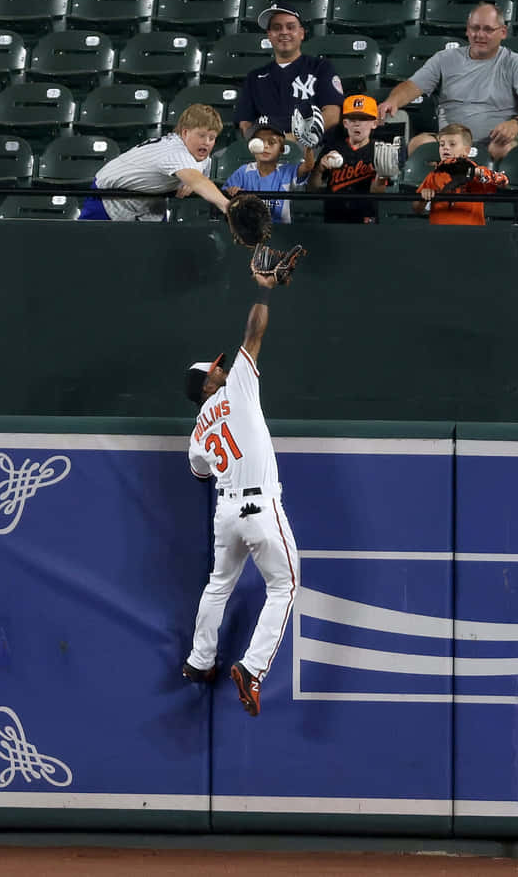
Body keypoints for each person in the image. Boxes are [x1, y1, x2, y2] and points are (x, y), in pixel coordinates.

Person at [182, 260, 298, 718]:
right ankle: (252, 669)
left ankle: (199, 660)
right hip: (259, 505)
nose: (222, 369)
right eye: (215, 370)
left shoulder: (195, 431)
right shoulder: (238, 390)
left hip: (226, 512)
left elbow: (200, 474)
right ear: (208, 383)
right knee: (285, 585)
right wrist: (265, 291)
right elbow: (254, 334)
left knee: (218, 586)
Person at [377, 2, 518, 161]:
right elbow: (411, 86)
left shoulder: (515, 63)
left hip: (494, 141)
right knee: (418, 144)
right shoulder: (445, 59)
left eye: (488, 29)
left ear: (503, 32)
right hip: (448, 142)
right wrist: (393, 101)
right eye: (475, 28)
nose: (480, 35)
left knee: (504, 148)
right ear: (467, 30)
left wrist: (517, 124)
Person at [78, 104, 229, 221]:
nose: (207, 142)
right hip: (108, 199)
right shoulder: (174, 152)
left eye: (212, 137)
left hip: (149, 205)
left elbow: (197, 179)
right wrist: (228, 207)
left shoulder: (201, 157)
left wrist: (190, 181)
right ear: (185, 132)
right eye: (201, 135)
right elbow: (198, 181)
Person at [234, 4, 344, 142]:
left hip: (312, 149)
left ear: (302, 33)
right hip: (267, 150)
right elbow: (245, 122)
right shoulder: (255, 77)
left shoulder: (321, 68)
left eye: (290, 27)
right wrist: (263, 144)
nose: (284, 32)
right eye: (276, 28)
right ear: (269, 35)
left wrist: (296, 139)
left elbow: (333, 114)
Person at [308, 93, 388, 223]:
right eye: (352, 119)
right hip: (333, 218)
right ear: (345, 123)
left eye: (363, 119)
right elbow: (312, 189)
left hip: (366, 218)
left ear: (374, 123)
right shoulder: (332, 147)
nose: (357, 124)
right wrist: (319, 170)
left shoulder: (380, 150)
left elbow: (377, 194)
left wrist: (382, 175)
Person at [221, 116, 314, 224]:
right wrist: (231, 192)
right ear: (251, 147)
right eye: (259, 142)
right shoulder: (243, 172)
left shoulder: (287, 171)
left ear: (281, 148)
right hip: (249, 229)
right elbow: (225, 195)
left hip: (282, 231)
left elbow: (308, 166)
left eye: (271, 142)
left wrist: (308, 144)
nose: (265, 146)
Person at [412, 123, 509, 225]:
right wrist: (423, 197)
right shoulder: (434, 175)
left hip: (470, 234)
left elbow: (503, 181)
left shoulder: (477, 173)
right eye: (442, 144)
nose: (445, 148)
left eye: (452, 144)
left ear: (466, 151)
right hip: (440, 234)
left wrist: (479, 174)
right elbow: (416, 209)